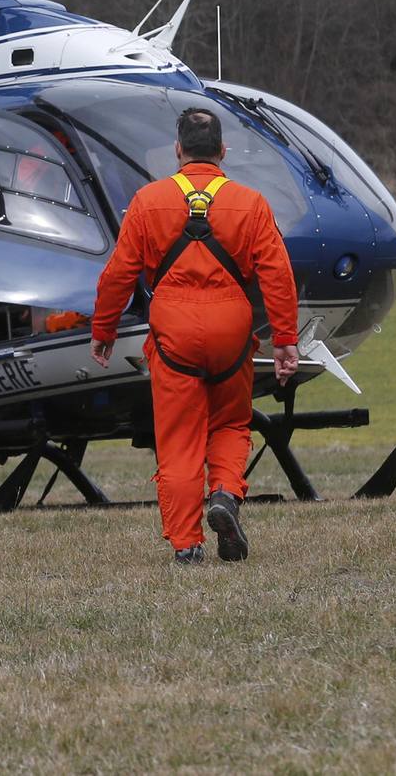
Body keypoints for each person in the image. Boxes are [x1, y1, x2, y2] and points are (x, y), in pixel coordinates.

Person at [90, 108, 300, 565]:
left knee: (180, 438)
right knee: (229, 423)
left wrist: (104, 329)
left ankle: (187, 544)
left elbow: (118, 275)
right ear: (223, 152)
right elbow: (278, 275)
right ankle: (224, 493)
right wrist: (285, 338)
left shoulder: (148, 201)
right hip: (232, 330)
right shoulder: (251, 202)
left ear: (178, 151)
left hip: (174, 333)